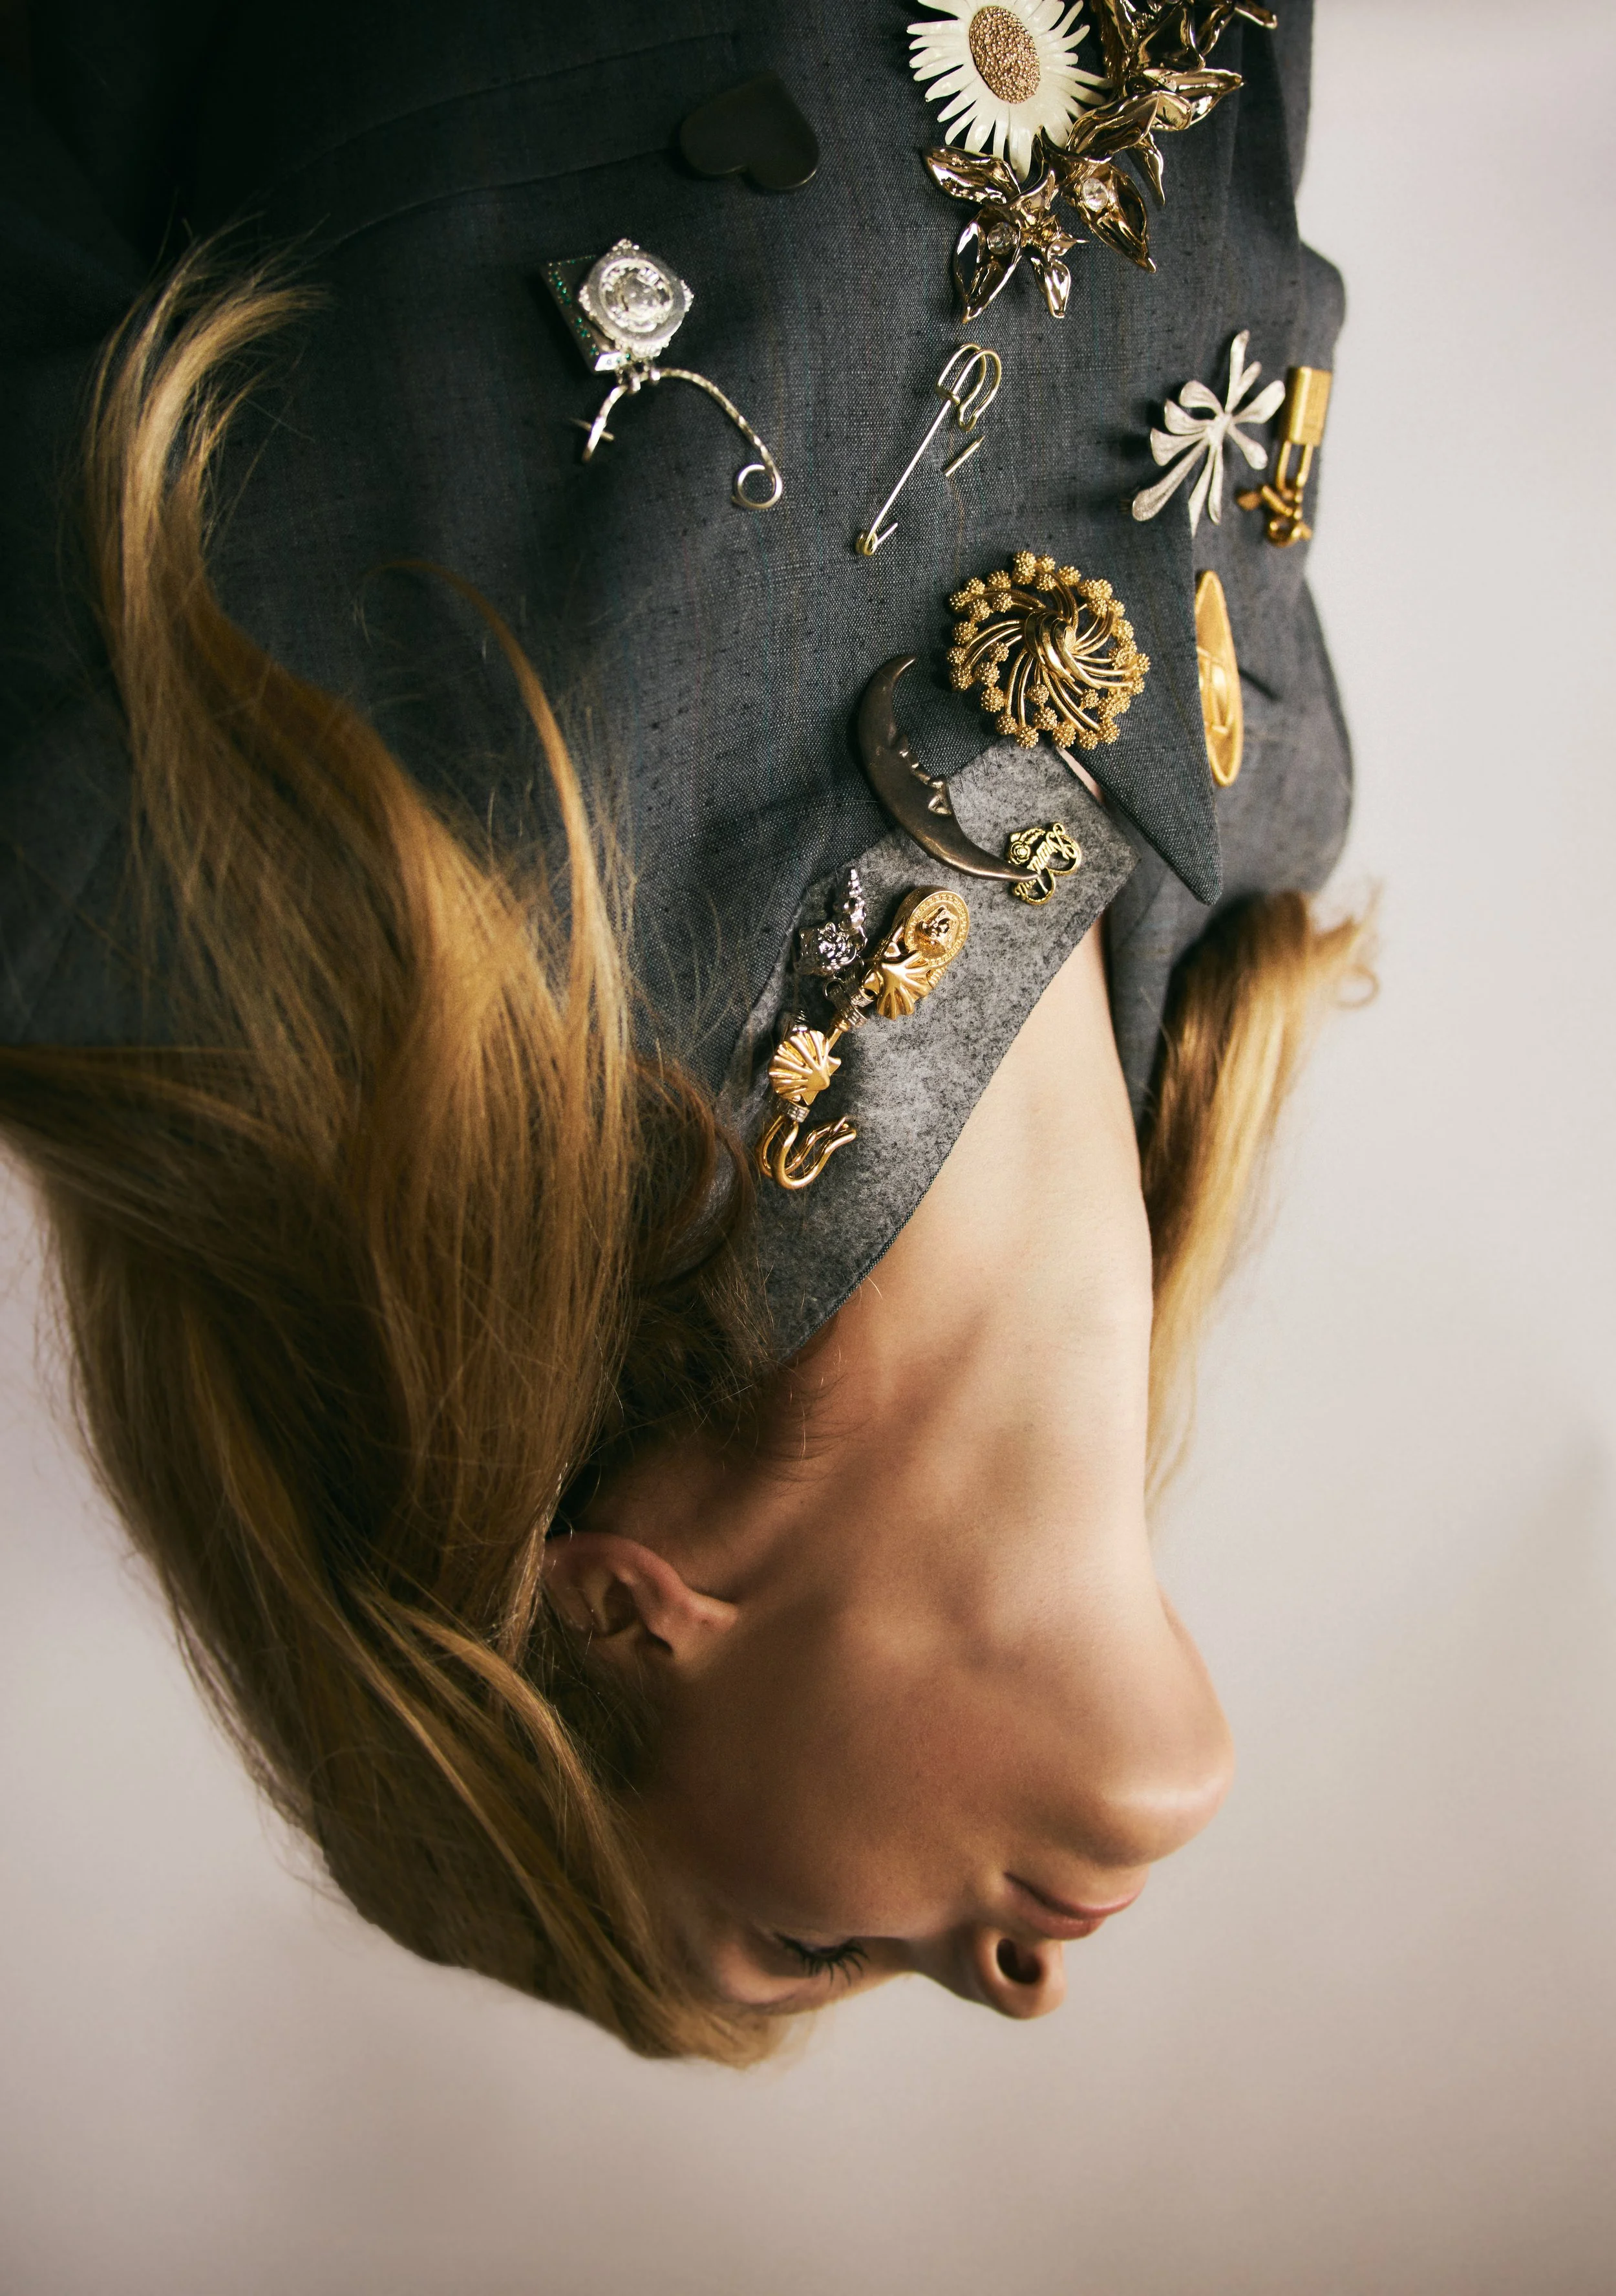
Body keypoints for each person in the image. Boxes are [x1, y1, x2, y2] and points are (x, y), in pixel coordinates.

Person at [0, 0, 1368, 2060]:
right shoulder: (1270, 829)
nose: (1023, 1988)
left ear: (623, 1624)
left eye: (804, 1946)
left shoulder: (222, 935)